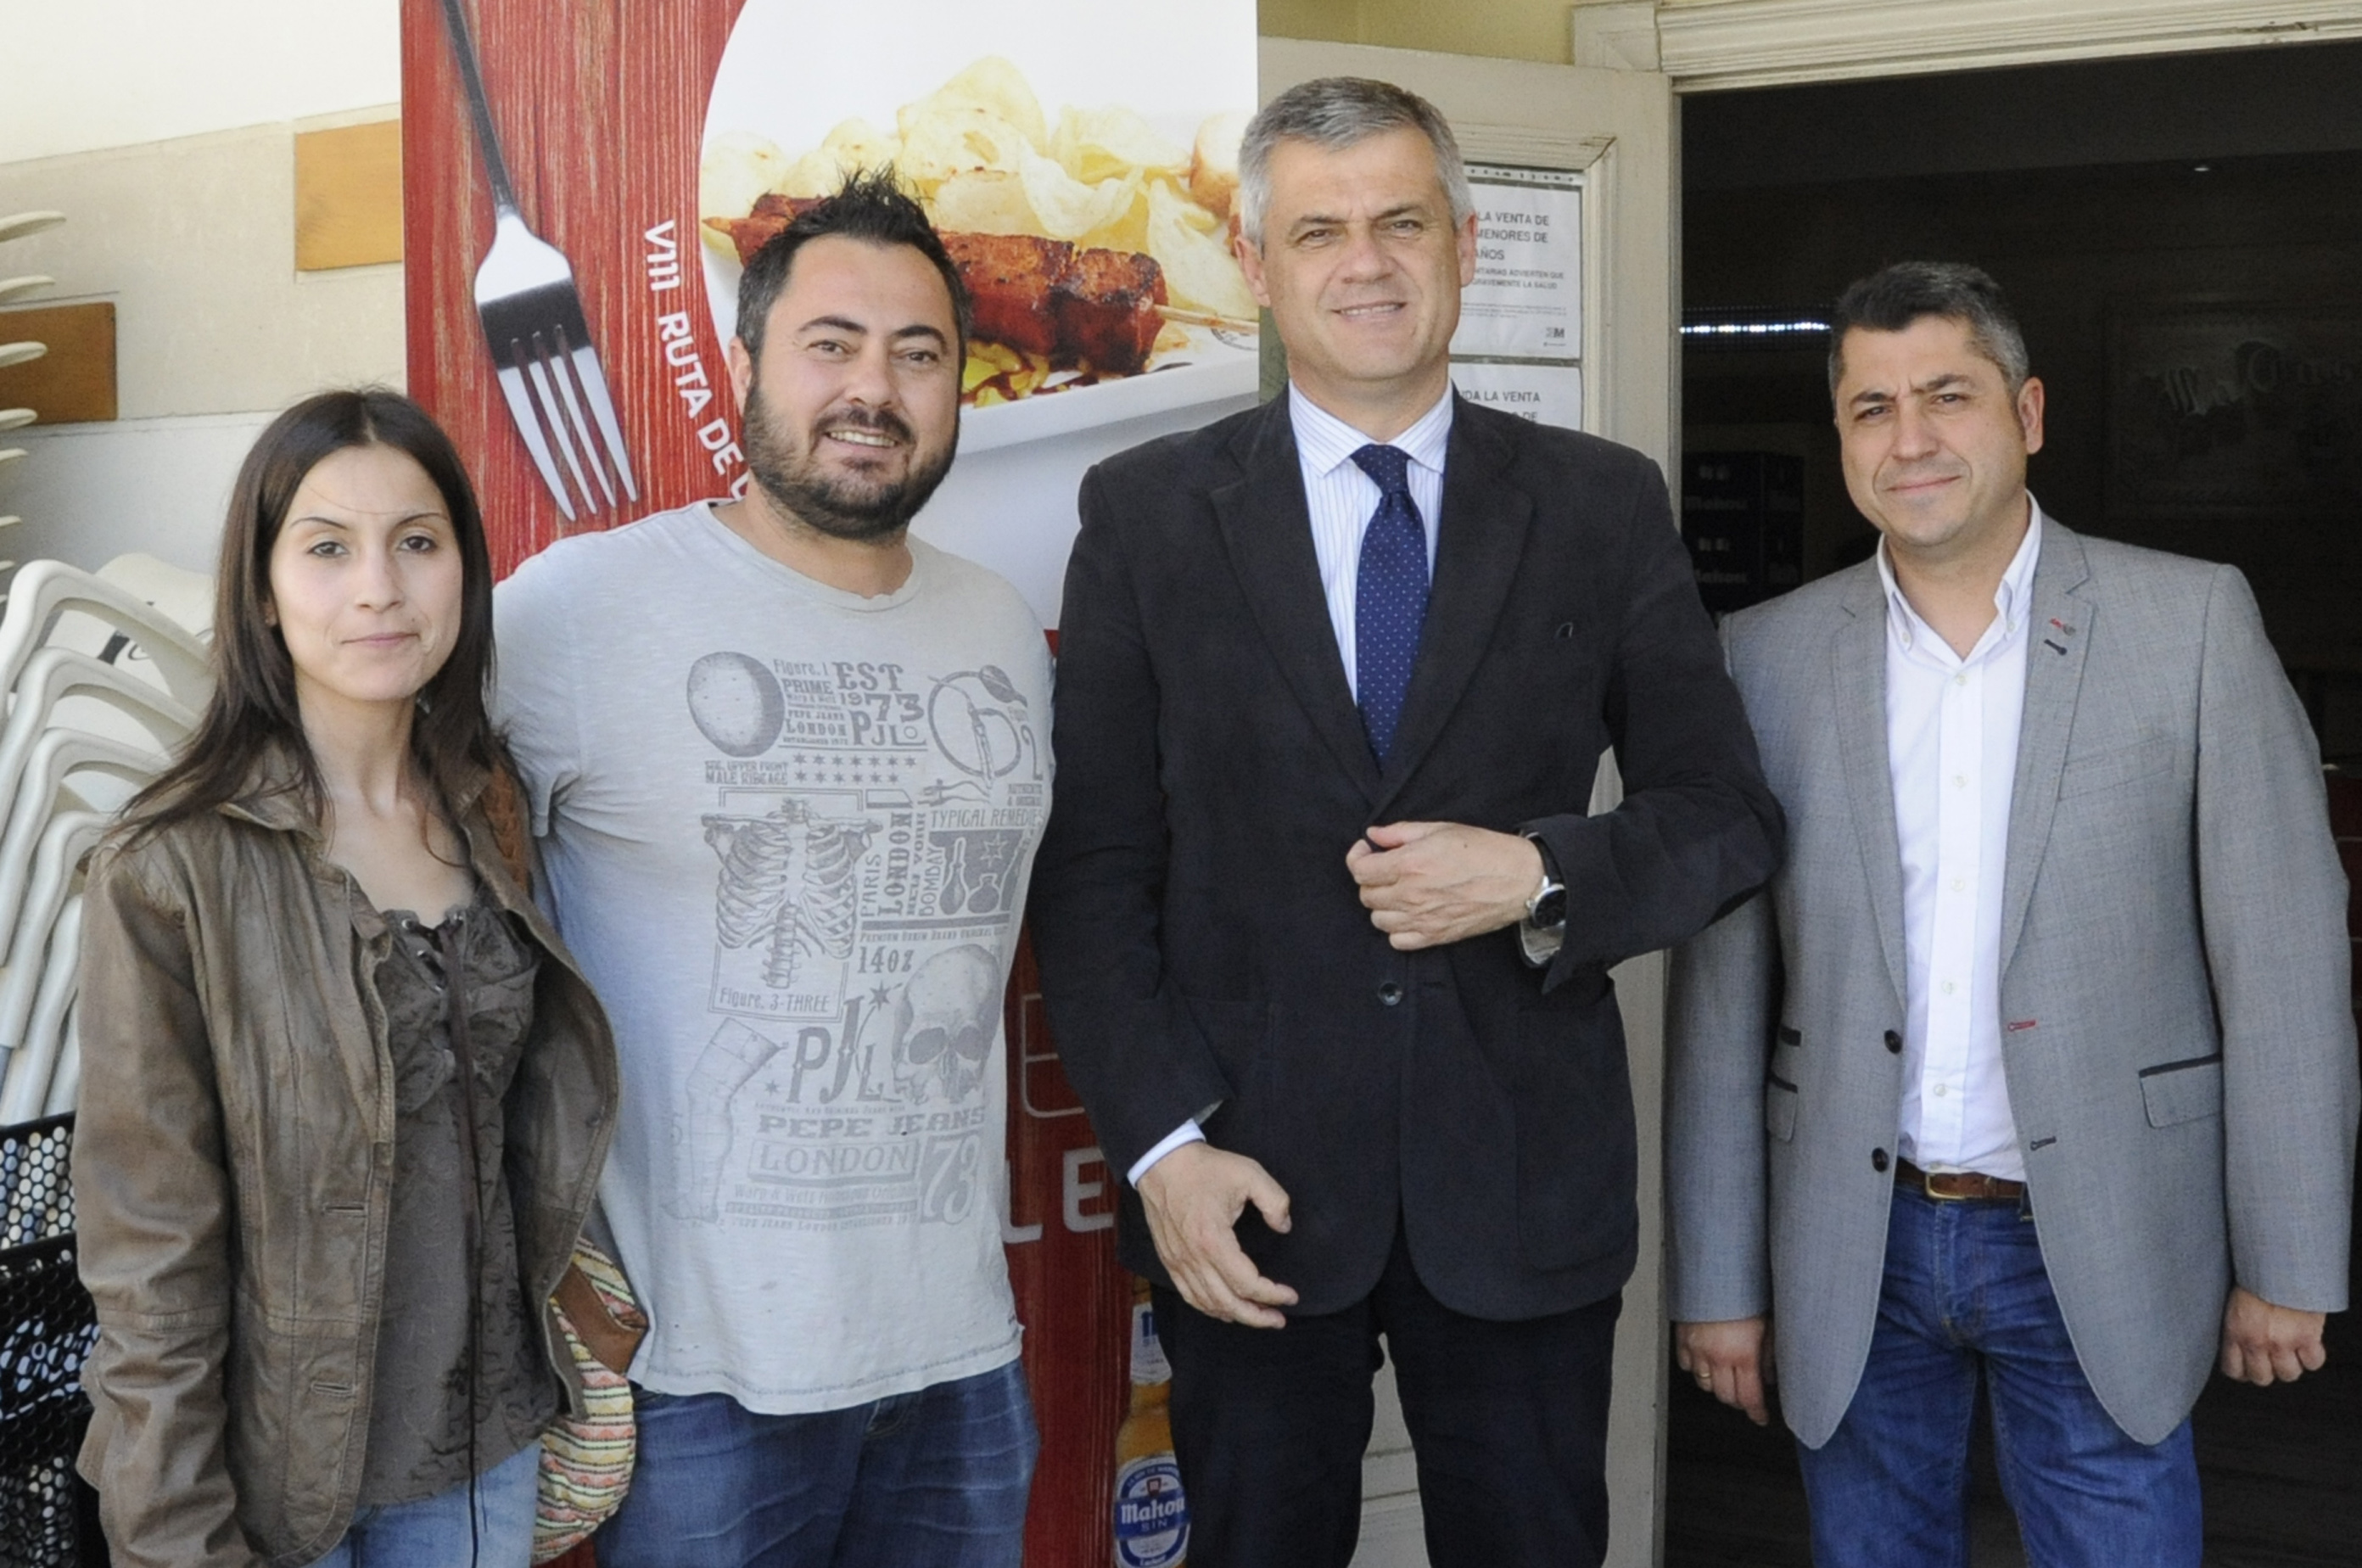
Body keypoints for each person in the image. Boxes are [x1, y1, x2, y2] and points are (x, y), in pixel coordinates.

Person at [1027, 76, 1783, 1568]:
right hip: (1244, 1190)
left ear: (1465, 243)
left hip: (1522, 1188)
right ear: (1255, 265)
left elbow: (1726, 817)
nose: (1365, 263)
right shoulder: (1146, 515)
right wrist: (1165, 1150)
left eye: (1401, 223)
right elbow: (1098, 870)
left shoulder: (1599, 504)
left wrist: (1539, 873)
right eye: (1319, 232)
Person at [1665, 261, 2360, 1567]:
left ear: (2027, 413)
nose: (1910, 439)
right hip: (1854, 1238)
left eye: (1948, 396)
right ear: (1842, 439)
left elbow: (2283, 959)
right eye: (1871, 409)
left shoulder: (2190, 622)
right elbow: (1720, 997)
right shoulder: (1762, 657)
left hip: (2104, 1223)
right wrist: (1715, 1277)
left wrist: (2291, 1256)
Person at [492, 170, 1051, 1568]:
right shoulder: (580, 610)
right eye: (830, 344)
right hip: (696, 1383)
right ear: (744, 363)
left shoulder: (1000, 628)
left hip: (960, 1366)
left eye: (917, 354)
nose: (874, 388)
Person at [73, 389, 621, 1567]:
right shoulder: (171, 866)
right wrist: (172, 1533)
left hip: (483, 1454)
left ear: (466, 574)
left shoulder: (492, 809)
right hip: (275, 1483)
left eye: (418, 542)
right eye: (327, 548)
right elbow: (150, 1256)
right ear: (263, 592)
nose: (379, 587)